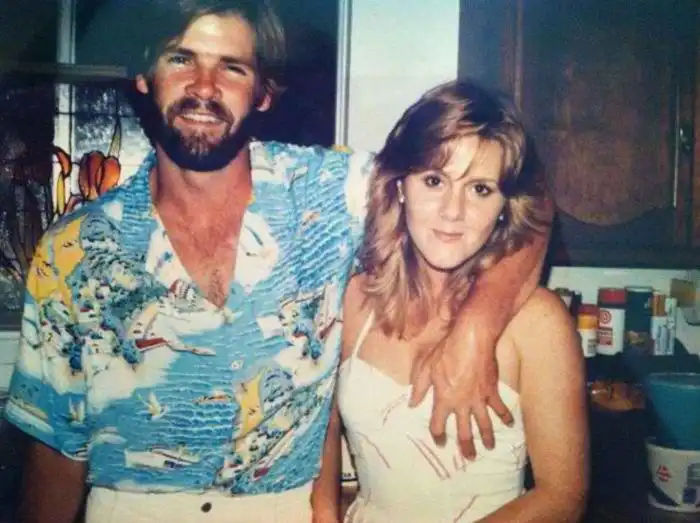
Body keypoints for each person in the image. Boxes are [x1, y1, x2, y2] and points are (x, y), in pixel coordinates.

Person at [6, 2, 550, 523]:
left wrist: (478, 325)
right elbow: (55, 450)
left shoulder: (331, 192)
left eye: (232, 67)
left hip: (284, 509)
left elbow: (527, 201)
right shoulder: (73, 250)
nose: (203, 86)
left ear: (263, 92)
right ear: (145, 75)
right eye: (181, 58)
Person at [317, 80, 588, 522]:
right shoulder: (353, 300)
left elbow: (562, 498)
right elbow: (321, 430)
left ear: (504, 206)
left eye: (480, 189)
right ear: (400, 186)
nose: (453, 211)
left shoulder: (539, 322)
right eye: (434, 180)